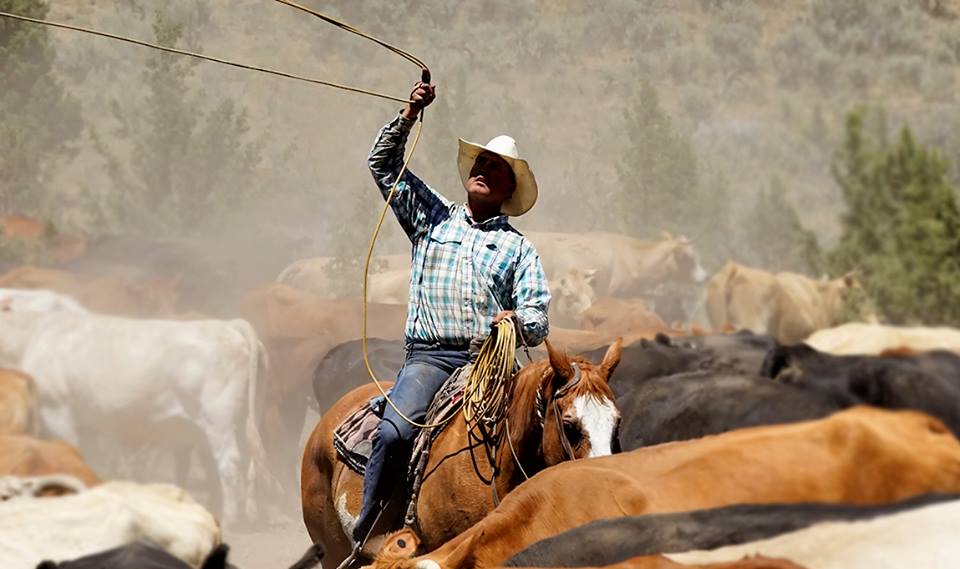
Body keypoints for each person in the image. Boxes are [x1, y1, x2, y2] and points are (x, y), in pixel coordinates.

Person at [352, 80, 551, 546]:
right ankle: (371, 534)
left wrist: (515, 323)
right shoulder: (433, 216)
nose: (483, 169)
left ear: (508, 187)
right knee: (396, 433)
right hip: (431, 358)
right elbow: (382, 165)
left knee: (540, 434)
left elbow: (538, 316)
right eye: (480, 162)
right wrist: (408, 114)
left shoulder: (518, 249)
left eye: (495, 168)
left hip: (491, 363)